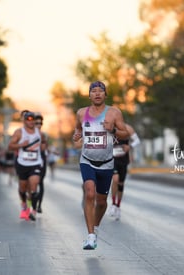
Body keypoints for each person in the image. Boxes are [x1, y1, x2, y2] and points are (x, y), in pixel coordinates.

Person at [73, 80, 129, 250]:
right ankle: (90, 237)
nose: (97, 93)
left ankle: (95, 227)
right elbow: (77, 130)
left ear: (105, 94)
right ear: (89, 95)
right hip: (87, 160)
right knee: (89, 193)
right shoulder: (82, 113)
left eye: (100, 91)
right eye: (93, 91)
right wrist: (77, 136)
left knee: (102, 201)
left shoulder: (114, 112)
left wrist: (112, 130)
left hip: (106, 163)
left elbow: (125, 133)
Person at [8, 111, 46, 221]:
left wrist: (43, 147)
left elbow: (43, 142)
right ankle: (24, 204)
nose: (31, 122)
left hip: (35, 163)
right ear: (24, 121)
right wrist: (21, 144)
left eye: (32, 119)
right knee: (23, 188)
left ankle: (33, 211)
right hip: (22, 164)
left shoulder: (39, 133)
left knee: (34, 186)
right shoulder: (19, 132)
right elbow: (10, 146)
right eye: (28, 119)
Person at [108, 123, 140, 220]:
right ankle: (113, 204)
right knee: (115, 179)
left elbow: (137, 140)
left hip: (123, 159)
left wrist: (129, 147)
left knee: (121, 183)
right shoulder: (109, 127)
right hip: (112, 159)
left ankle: (118, 206)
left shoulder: (128, 128)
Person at [33, 112, 48, 214]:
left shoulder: (43, 135)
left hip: (41, 159)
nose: (39, 125)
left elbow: (44, 148)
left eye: (40, 123)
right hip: (30, 161)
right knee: (31, 184)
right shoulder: (27, 134)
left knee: (40, 182)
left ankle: (39, 205)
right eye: (36, 123)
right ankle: (31, 206)